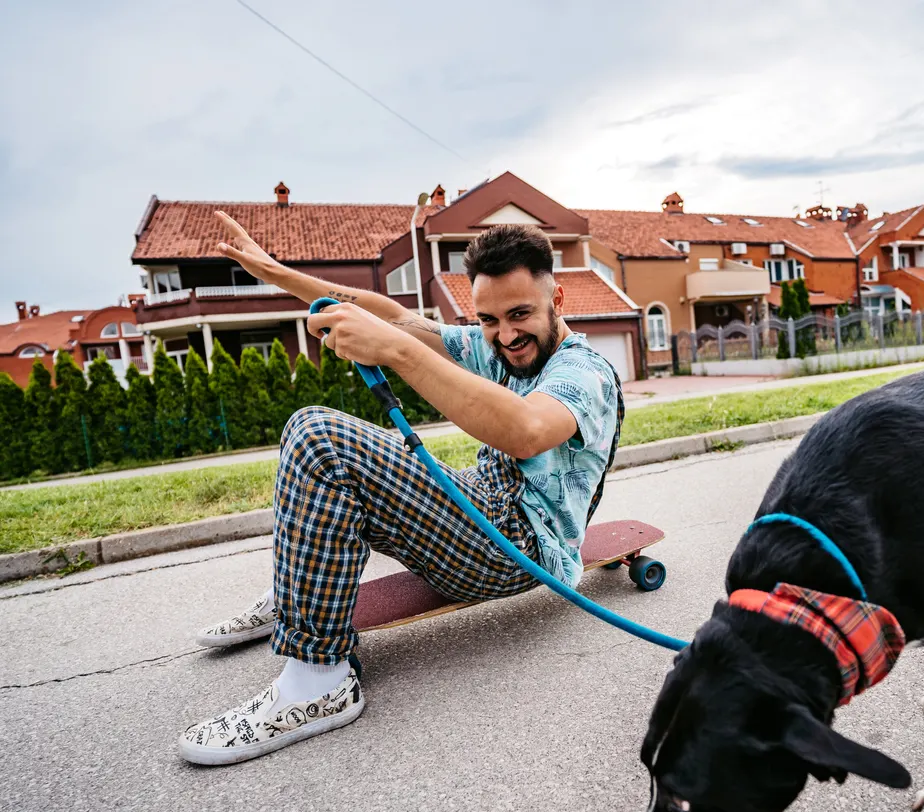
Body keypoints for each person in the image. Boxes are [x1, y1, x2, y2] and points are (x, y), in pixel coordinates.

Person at [179, 214, 621, 766]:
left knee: (321, 437)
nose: (506, 336)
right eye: (488, 319)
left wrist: (395, 352)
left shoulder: (585, 371)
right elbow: (389, 314)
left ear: (557, 297)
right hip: (480, 501)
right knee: (329, 446)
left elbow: (527, 431)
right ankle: (301, 594)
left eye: (520, 314)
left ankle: (318, 682)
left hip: (521, 548)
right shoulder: (497, 345)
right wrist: (275, 273)